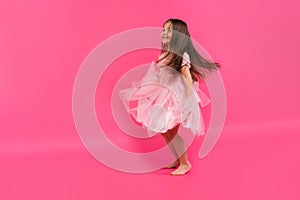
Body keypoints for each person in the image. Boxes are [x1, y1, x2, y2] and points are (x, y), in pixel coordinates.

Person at [119, 18, 221, 175]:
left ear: (178, 36)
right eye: (164, 30)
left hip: (176, 100)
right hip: (163, 97)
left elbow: (187, 79)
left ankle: (185, 163)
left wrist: (188, 102)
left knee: (172, 133)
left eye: (169, 31)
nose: (165, 33)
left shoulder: (181, 56)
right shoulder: (166, 54)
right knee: (164, 131)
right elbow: (160, 77)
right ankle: (178, 159)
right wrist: (148, 91)